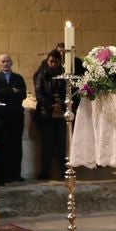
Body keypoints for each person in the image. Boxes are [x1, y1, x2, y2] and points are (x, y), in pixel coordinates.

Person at [0, 54, 27, 185]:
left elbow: (22, 95)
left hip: (16, 116)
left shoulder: (18, 78)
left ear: (11, 63)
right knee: (2, 146)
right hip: (1, 117)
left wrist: (6, 93)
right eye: (3, 61)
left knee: (16, 145)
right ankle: (4, 175)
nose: (5, 64)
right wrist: (12, 90)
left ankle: (15, 174)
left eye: (8, 61)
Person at [33, 49, 67, 180]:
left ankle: (64, 171)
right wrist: (51, 106)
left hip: (61, 114)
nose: (53, 64)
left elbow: (68, 92)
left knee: (61, 144)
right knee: (47, 144)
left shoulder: (64, 74)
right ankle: (45, 172)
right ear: (48, 61)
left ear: (60, 62)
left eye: (56, 62)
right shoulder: (41, 74)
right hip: (46, 114)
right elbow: (39, 93)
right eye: (51, 61)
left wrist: (62, 106)